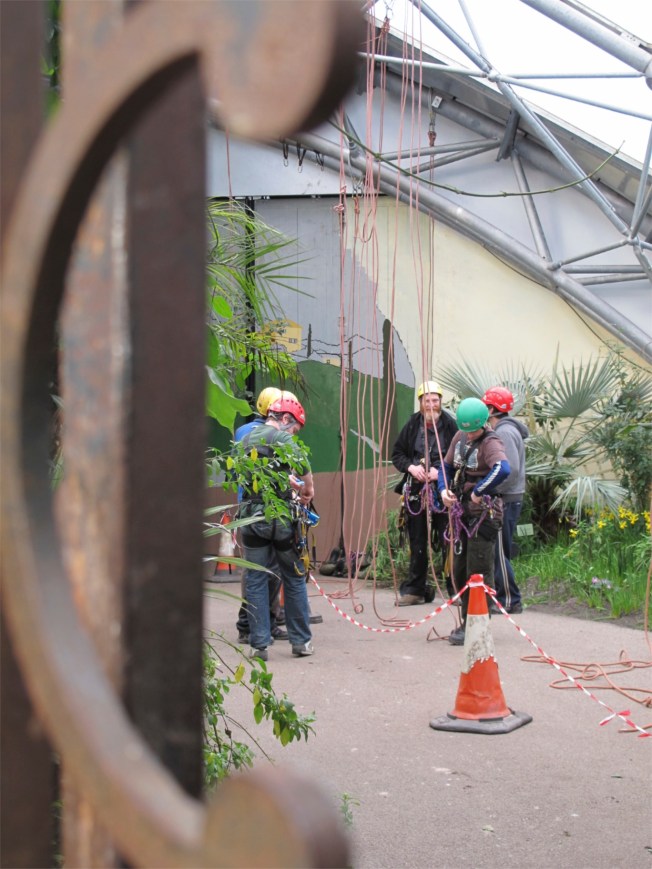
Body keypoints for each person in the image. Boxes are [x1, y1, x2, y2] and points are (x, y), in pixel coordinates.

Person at [238, 393, 315, 661]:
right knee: (293, 577)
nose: (293, 434)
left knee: (256, 579)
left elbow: (254, 475)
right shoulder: (282, 438)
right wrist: (308, 489)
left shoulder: (246, 438)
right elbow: (303, 466)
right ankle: (301, 642)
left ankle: (259, 645)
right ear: (285, 419)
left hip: (251, 517)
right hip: (279, 518)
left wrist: (285, 480)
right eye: (294, 429)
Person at [438, 397, 510, 645]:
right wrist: (443, 490)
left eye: (473, 431)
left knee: (477, 572)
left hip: (483, 516)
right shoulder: (460, 436)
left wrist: (479, 490)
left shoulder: (491, 442)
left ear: (483, 424)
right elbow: (446, 467)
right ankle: (467, 620)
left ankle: (477, 624)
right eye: (466, 431)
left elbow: (503, 468)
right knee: (459, 569)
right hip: (462, 513)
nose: (469, 435)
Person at [391, 381, 458, 606]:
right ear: (420, 402)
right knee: (417, 539)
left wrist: (441, 472)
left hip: (443, 489)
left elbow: (460, 455)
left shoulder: (450, 425)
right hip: (416, 490)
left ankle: (454, 589)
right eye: (427, 401)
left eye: (435, 400)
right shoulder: (412, 425)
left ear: (440, 401)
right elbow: (398, 454)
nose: (431, 405)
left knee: (448, 538)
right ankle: (416, 590)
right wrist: (411, 467)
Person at [234, 387, 286, 644]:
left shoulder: (243, 431)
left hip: (247, 507)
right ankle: (256, 623)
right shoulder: (268, 434)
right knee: (267, 570)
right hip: (264, 508)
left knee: (256, 570)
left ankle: (256, 624)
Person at [482, 386, 529, 615]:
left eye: (485, 406)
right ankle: (505, 596)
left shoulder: (505, 433)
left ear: (492, 409)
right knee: (499, 550)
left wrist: (490, 490)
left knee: (500, 552)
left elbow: (510, 470)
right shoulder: (505, 429)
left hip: (506, 499)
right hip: (507, 497)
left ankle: (510, 600)